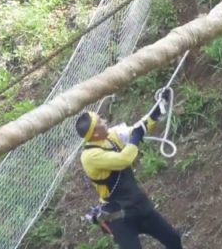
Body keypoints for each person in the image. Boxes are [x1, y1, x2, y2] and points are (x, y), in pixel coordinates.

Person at [75, 103, 183, 249]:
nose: (105, 121)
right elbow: (123, 160)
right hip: (119, 216)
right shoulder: (89, 156)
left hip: (138, 204)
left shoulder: (112, 135)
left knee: (173, 239)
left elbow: (138, 130)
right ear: (94, 133)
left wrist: (155, 112)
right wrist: (137, 135)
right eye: (100, 122)